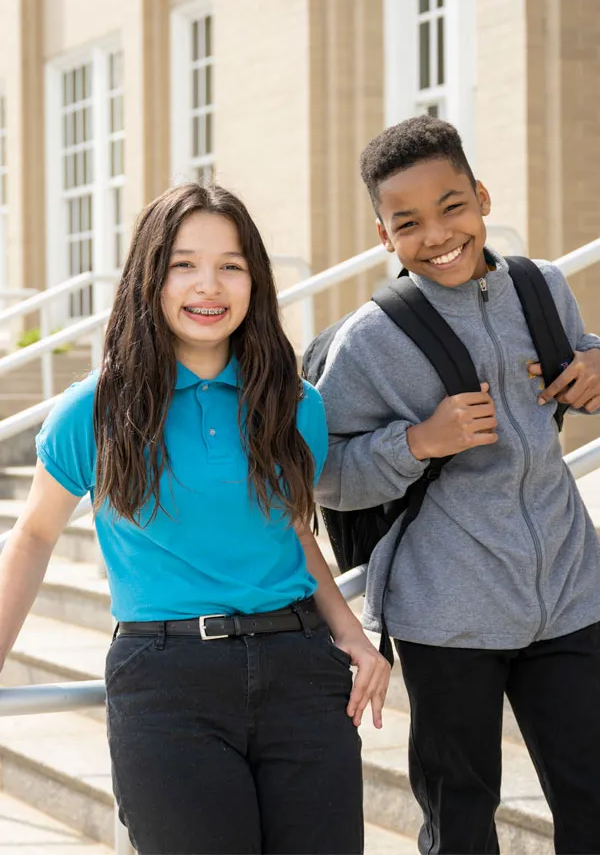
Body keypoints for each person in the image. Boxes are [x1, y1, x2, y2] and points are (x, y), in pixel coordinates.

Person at [0, 183, 390, 855]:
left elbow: (291, 527)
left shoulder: (297, 404)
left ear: (255, 281)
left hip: (300, 671)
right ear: (149, 276)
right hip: (166, 682)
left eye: (231, 265)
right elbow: (34, 535)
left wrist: (349, 631)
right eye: (184, 264)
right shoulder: (94, 411)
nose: (208, 285)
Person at [315, 115, 600, 854]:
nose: (438, 234)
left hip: (571, 593)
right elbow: (321, 476)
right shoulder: (370, 340)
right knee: (462, 821)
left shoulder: (542, 287)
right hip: (445, 615)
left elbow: (580, 354)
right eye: (407, 222)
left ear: (481, 196)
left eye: (452, 207)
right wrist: (417, 442)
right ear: (384, 236)